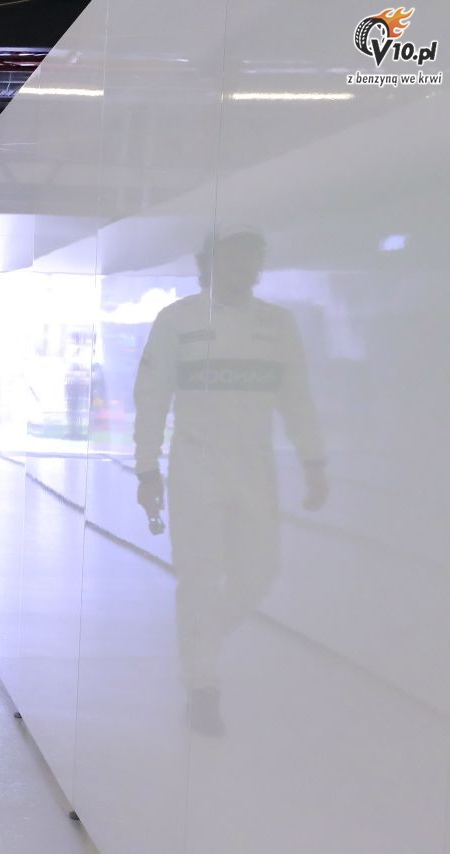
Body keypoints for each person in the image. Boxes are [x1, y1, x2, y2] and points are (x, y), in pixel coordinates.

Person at [133, 227, 327, 736]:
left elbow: (297, 398)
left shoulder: (277, 325)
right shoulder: (178, 320)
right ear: (210, 263)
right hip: (195, 466)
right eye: (231, 258)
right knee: (199, 577)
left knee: (260, 571)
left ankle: (201, 641)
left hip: (255, 467)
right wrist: (147, 470)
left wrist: (314, 462)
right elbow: (151, 398)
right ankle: (203, 686)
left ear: (258, 265)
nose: (241, 268)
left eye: (249, 259)